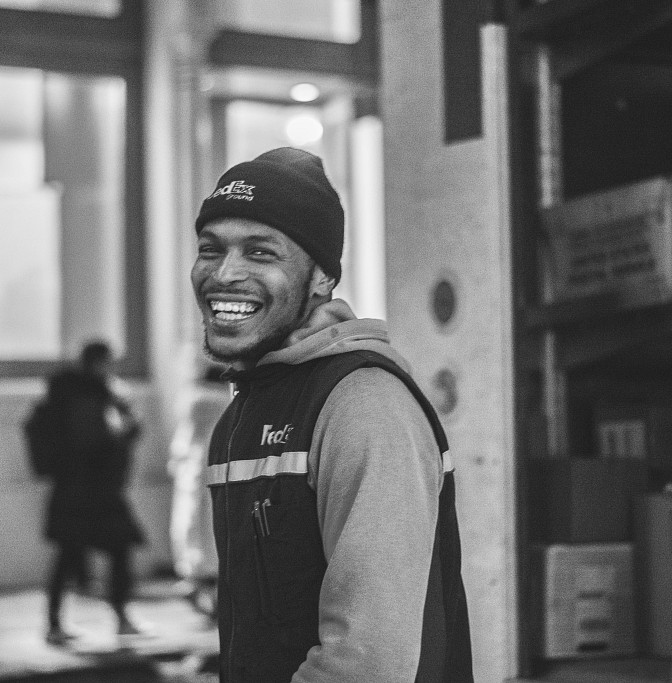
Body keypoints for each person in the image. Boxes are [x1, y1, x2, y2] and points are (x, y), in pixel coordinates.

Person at [191, 147, 473, 682]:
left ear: (321, 279)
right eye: (211, 249)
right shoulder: (243, 415)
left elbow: (367, 663)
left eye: (260, 253)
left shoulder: (362, 404)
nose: (224, 274)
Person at [35, 340, 144, 644]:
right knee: (116, 550)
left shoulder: (70, 395)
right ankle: (119, 619)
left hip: (72, 491)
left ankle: (55, 625)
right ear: (98, 363)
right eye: (108, 363)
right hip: (94, 492)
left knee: (68, 555)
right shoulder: (93, 397)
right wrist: (126, 426)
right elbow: (106, 439)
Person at [167, 366, 232, 619]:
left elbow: (180, 446)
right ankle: (211, 598)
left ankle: (194, 582)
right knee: (211, 536)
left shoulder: (190, 402)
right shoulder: (223, 403)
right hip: (215, 473)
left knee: (191, 529)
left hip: (190, 475)